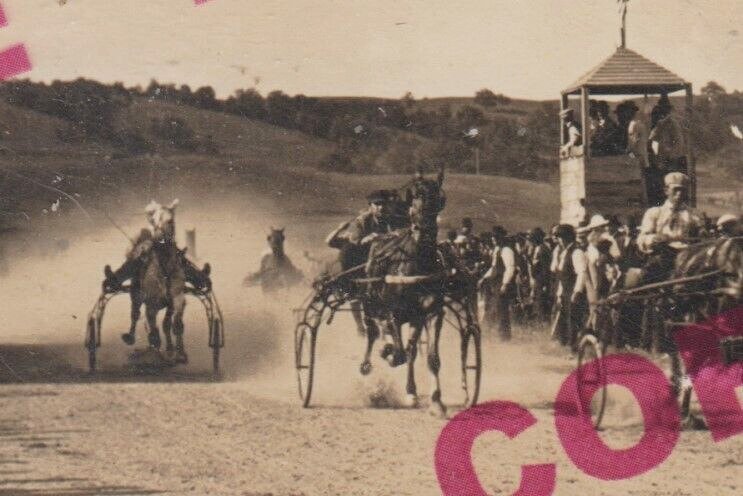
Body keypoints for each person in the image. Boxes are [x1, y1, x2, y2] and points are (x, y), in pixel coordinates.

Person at [637, 172, 705, 284]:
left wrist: (703, 234)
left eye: (683, 190)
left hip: (688, 258)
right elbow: (642, 239)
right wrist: (653, 239)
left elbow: (702, 237)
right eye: (676, 189)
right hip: (663, 257)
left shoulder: (694, 214)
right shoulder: (655, 213)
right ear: (666, 191)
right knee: (644, 278)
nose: (679, 193)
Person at [550, 224, 588, 350]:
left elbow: (581, 273)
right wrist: (560, 294)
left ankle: (575, 349)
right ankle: (566, 345)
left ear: (567, 238)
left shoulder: (577, 252)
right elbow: (561, 275)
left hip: (574, 291)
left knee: (574, 321)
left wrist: (577, 292)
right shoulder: (564, 252)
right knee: (565, 319)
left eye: (560, 237)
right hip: (566, 290)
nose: (559, 240)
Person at [479, 226, 517, 341]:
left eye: (495, 237)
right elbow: (494, 267)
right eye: (493, 237)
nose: (493, 239)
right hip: (494, 282)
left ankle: (504, 337)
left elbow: (510, 268)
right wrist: (484, 278)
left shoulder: (507, 250)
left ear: (500, 238)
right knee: (492, 307)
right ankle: (490, 333)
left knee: (501, 309)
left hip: (501, 282)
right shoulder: (497, 250)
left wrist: (505, 284)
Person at [648, 94, 687, 175]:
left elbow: (678, 142)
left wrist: (671, 156)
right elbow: (653, 140)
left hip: (670, 158)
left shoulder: (671, 123)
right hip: (663, 157)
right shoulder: (660, 124)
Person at [526, 227, 553, 323]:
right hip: (537, 278)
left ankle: (541, 322)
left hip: (542, 279)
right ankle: (538, 321)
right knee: (537, 300)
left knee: (541, 301)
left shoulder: (543, 249)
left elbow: (546, 268)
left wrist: (545, 283)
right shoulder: (537, 248)